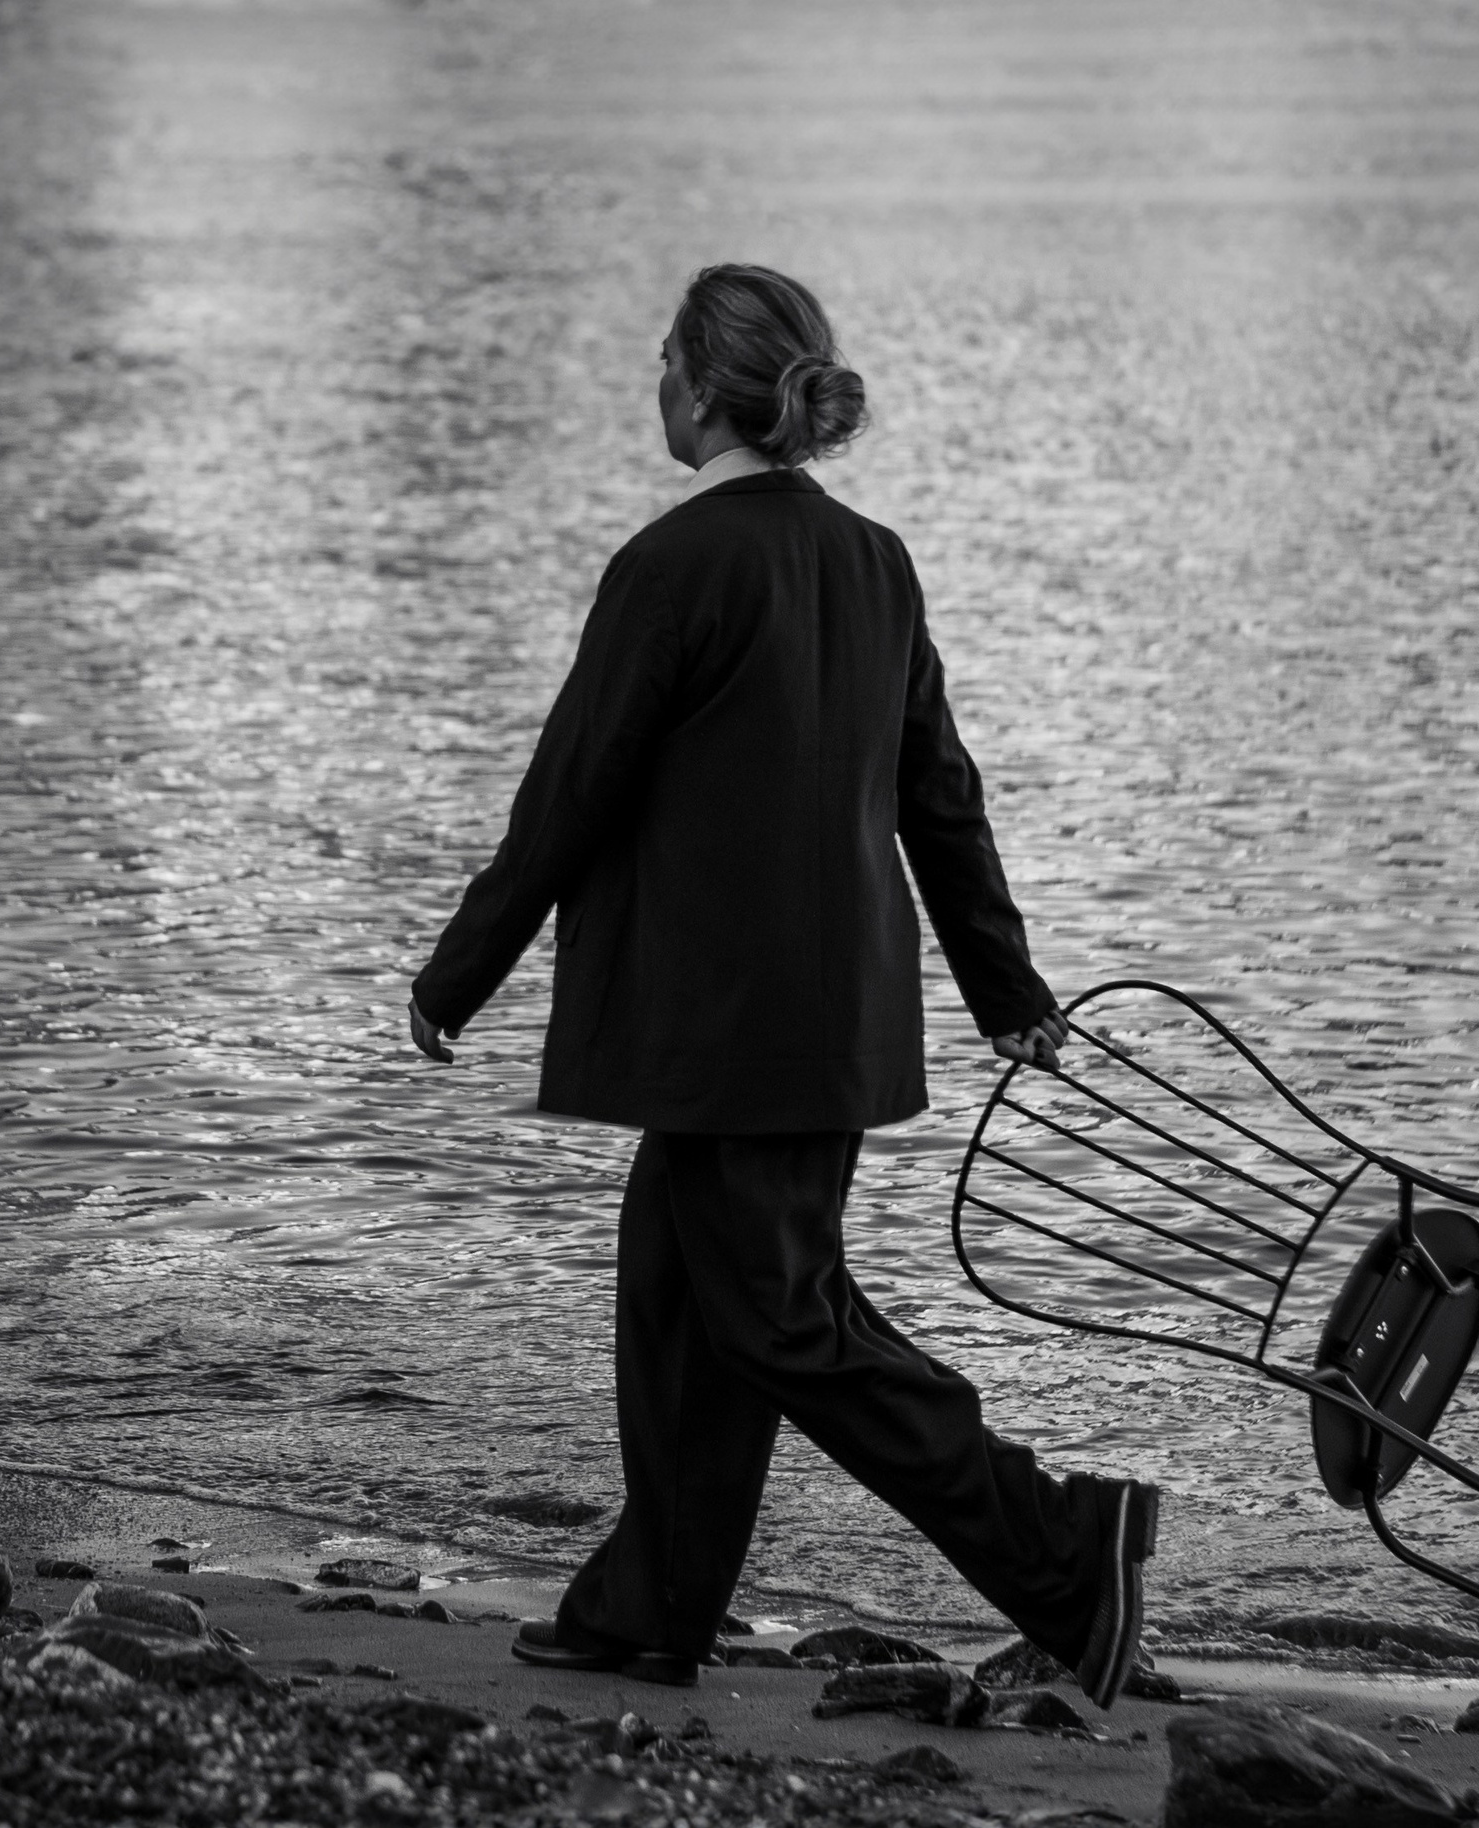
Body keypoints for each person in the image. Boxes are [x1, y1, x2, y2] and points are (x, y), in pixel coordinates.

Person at [406, 263, 1159, 1707]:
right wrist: (1007, 992)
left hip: (722, 1031)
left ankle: (1069, 1546)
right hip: (828, 1023)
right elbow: (942, 797)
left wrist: (460, 969)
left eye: (658, 364)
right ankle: (651, 1606)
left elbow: (568, 797)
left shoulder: (671, 568)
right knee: (681, 1298)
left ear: (697, 386)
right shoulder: (874, 560)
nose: (653, 386)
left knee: (780, 1323)